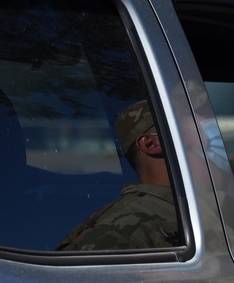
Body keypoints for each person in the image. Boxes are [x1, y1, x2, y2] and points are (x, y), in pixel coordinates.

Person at [58, 99, 179, 251]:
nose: (207, 138)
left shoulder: (195, 205)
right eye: (194, 128)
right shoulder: (120, 230)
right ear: (150, 144)